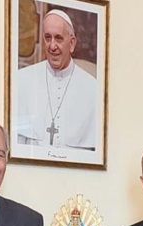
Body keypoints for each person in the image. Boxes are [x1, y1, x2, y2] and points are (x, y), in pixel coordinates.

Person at [16, 9, 97, 150]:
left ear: (71, 43)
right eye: (48, 38)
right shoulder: (23, 79)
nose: (52, 46)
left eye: (58, 38)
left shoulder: (92, 88)